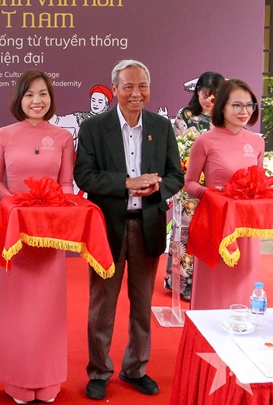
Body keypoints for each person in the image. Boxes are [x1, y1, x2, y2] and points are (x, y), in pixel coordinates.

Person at [74, 60, 183, 401]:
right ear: (115, 89)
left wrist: (159, 187)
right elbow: (84, 176)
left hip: (147, 226)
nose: (136, 93)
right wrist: (126, 183)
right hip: (107, 228)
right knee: (102, 306)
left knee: (142, 305)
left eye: (142, 86)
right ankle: (99, 371)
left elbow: (176, 175)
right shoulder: (94, 128)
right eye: (129, 86)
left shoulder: (161, 127)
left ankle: (135, 368)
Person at [0, 70, 75, 404]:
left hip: (51, 231)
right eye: (29, 94)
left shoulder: (63, 137)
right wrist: (9, 202)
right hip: (16, 230)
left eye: (43, 94)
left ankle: (48, 381)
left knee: (48, 308)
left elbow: (66, 183)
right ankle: (19, 382)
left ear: (51, 98)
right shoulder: (3, 135)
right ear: (19, 99)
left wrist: (62, 207)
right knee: (18, 309)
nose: (37, 101)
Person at [184, 79, 264, 310]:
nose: (244, 111)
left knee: (244, 284)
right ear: (221, 107)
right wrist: (210, 193)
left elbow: (259, 182)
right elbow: (189, 183)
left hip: (247, 226)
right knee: (213, 288)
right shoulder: (204, 141)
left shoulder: (257, 142)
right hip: (215, 223)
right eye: (236, 105)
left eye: (249, 105)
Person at [164, 71, 224, 301]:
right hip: (189, 184)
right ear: (197, 91)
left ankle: (209, 283)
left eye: (214, 96)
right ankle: (182, 284)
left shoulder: (225, 117)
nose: (208, 100)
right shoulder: (186, 115)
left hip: (216, 187)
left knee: (211, 234)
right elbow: (176, 147)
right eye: (204, 94)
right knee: (186, 235)